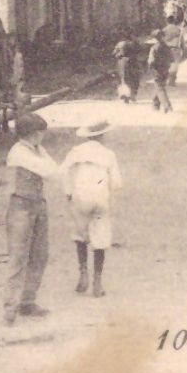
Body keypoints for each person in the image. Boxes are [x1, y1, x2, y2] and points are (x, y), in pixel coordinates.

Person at [3, 112, 58, 325]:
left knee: (40, 255)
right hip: (20, 207)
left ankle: (27, 301)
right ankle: (10, 305)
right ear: (33, 134)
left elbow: (52, 168)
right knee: (18, 257)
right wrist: (43, 154)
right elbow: (50, 171)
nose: (43, 137)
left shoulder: (35, 149)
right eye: (40, 133)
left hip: (37, 204)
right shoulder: (18, 152)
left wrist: (41, 151)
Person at [61, 119, 123, 298]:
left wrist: (68, 191)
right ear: (102, 135)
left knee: (80, 235)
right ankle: (98, 281)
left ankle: (83, 274)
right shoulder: (108, 154)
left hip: (80, 197)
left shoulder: (75, 152)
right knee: (100, 237)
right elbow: (117, 182)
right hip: (100, 198)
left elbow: (63, 172)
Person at [147, 31, 175, 113]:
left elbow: (151, 61)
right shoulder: (167, 47)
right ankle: (155, 105)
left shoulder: (154, 48)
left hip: (157, 71)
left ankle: (167, 106)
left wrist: (150, 68)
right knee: (159, 86)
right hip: (166, 70)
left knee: (160, 88)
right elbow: (172, 59)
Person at [113, 36, 141, 103]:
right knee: (134, 78)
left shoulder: (120, 44)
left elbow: (114, 53)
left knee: (123, 79)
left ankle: (125, 95)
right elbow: (140, 51)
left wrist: (118, 54)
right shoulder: (135, 43)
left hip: (123, 63)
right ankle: (133, 95)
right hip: (134, 62)